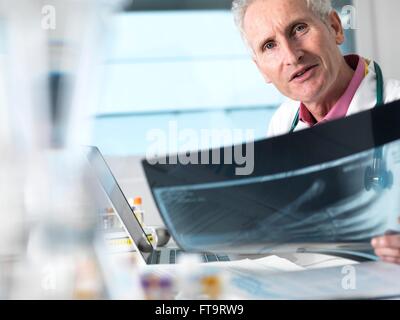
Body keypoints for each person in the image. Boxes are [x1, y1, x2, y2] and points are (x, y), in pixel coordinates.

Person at [232, 0, 400, 264]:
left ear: (335, 28)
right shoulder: (282, 123)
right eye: (269, 45)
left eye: (299, 28)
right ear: (261, 69)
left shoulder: (394, 106)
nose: (291, 56)